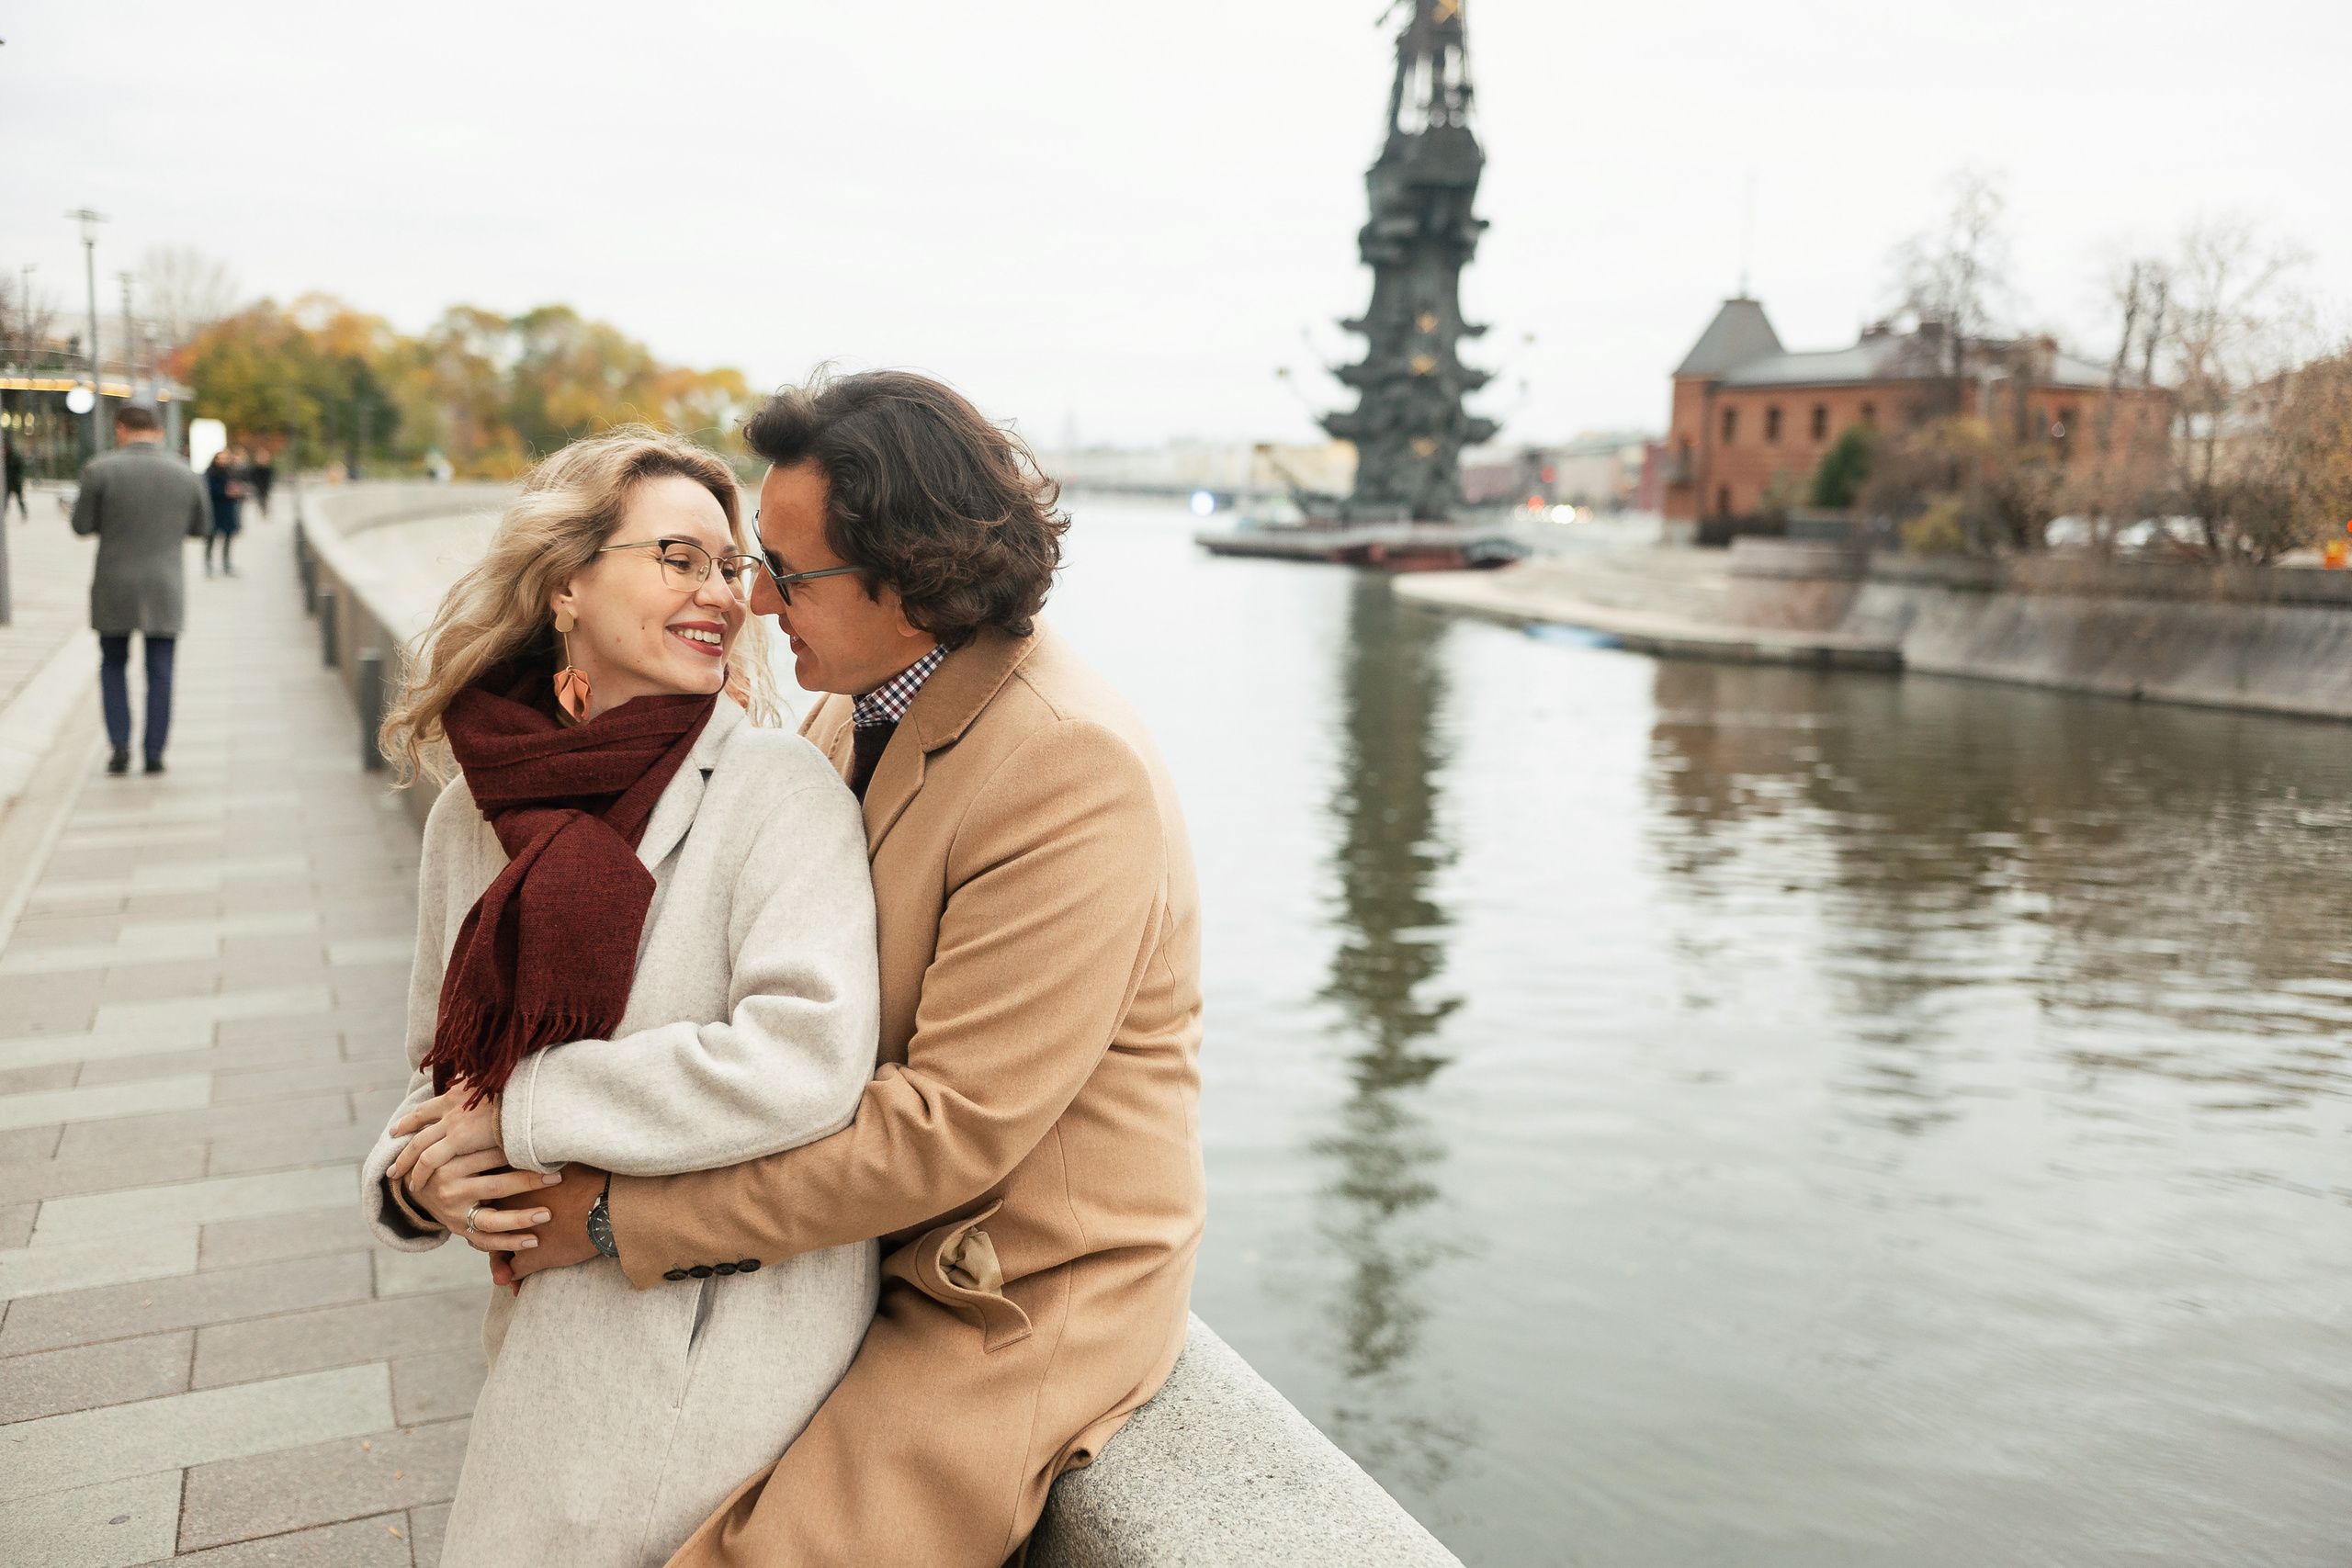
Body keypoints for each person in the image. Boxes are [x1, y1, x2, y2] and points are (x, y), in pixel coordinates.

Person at [499, 371, 1206, 1567]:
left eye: (790, 572)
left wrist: (622, 1216)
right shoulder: (854, 708)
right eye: (753, 560)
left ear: (917, 575)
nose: (757, 601)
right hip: (851, 1224)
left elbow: (944, 1129)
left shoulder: (1068, 767)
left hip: (1005, 1278)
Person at [363, 429, 884, 1568]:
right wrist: (416, 1181)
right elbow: (440, 1069)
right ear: (567, 583)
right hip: (546, 1337)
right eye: (678, 558)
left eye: (730, 565)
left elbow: (806, 1054)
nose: (723, 595)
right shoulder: (472, 810)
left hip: (717, 1346)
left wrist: (525, 1112)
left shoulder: (775, 787)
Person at [71, 404, 209, 776]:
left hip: (113, 583)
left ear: (120, 429)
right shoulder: (186, 474)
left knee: (113, 665)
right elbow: (202, 528)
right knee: (160, 671)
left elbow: (82, 525)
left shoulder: (99, 469)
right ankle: (154, 753)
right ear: (158, 431)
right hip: (165, 585)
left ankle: (119, 746)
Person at [202, 447, 243, 576]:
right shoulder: (209, 473)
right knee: (211, 539)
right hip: (214, 509)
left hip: (228, 509)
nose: (223, 461)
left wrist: (237, 492)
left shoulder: (230, 472)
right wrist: (225, 492)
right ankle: (208, 565)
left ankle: (226, 564)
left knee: (228, 538)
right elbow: (208, 490)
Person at [246, 445, 275, 518]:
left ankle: (265, 513)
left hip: (265, 488)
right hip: (258, 487)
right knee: (260, 501)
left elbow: (269, 479)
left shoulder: (267, 469)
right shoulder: (255, 469)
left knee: (264, 501)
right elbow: (253, 478)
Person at [4, 430, 26, 520]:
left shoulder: (15, 456)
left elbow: (20, 469)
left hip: (16, 482)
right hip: (8, 482)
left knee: (19, 499)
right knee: (5, 500)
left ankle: (23, 513)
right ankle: (3, 515)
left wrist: (19, 479)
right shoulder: (5, 457)